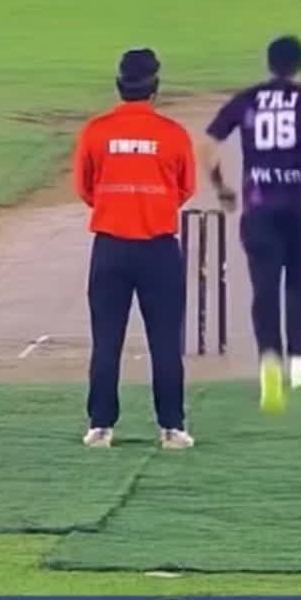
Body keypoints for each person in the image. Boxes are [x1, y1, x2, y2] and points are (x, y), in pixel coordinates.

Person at [199, 36, 301, 414]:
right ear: (300, 66)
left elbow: (207, 145)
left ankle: (269, 359)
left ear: (270, 64)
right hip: (299, 205)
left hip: (258, 207)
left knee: (264, 285)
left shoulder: (247, 99)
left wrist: (221, 187)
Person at [73, 49, 196, 452]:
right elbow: (185, 188)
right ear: (155, 89)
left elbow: (84, 188)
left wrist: (116, 207)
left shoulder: (96, 131)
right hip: (159, 250)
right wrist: (151, 207)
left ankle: (100, 427)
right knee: (165, 342)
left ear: (118, 86)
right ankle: (172, 427)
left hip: (110, 247)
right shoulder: (173, 134)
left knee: (106, 340)